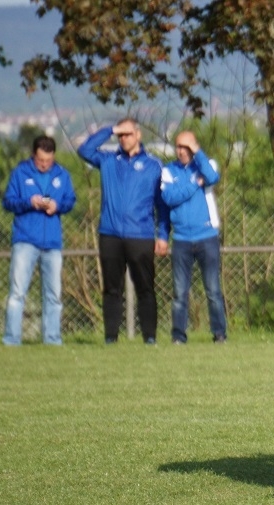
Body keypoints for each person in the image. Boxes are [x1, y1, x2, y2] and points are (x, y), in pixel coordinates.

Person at [78, 118, 166, 344]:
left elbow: (162, 204)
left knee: (145, 288)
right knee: (112, 288)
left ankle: (149, 337)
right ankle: (111, 338)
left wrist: (163, 235)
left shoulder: (153, 165)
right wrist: (111, 129)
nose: (124, 138)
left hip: (140, 235)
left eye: (128, 134)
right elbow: (84, 150)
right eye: (121, 135)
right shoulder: (108, 160)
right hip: (111, 233)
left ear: (138, 135)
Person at [1, 135, 76, 346]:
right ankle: (12, 340)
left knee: (54, 295)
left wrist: (57, 206)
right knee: (17, 292)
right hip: (25, 240)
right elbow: (8, 202)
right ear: (34, 155)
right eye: (41, 160)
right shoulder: (20, 173)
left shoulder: (62, 174)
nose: (44, 164)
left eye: (48, 161)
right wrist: (29, 202)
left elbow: (70, 200)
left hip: (52, 243)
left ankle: (52, 339)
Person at [159, 131, 226, 344]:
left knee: (213, 290)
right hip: (181, 239)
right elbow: (169, 198)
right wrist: (194, 184)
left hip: (207, 237)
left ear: (194, 147)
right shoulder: (168, 171)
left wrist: (197, 152)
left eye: (186, 147)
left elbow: (212, 177)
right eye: (179, 146)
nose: (181, 151)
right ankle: (179, 335)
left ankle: (219, 333)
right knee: (180, 292)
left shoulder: (206, 164)